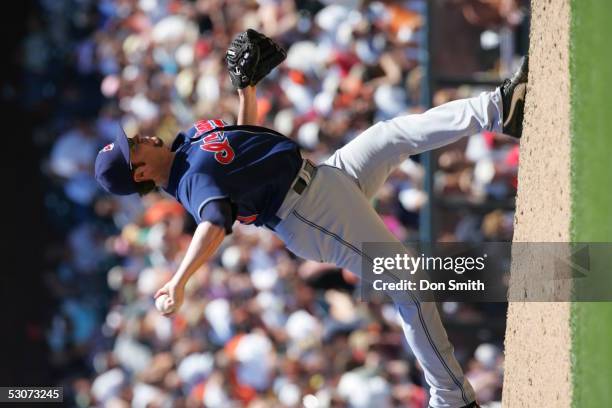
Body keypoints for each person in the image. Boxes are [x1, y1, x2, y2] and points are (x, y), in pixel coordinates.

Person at [94, 29, 528, 406]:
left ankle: (500, 106)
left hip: (323, 176)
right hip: (308, 213)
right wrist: (179, 280)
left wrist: (247, 91)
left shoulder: (189, 140)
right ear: (140, 172)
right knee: (407, 285)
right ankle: (450, 398)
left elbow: (248, 139)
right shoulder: (191, 184)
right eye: (135, 145)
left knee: (391, 135)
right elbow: (213, 222)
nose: (142, 136)